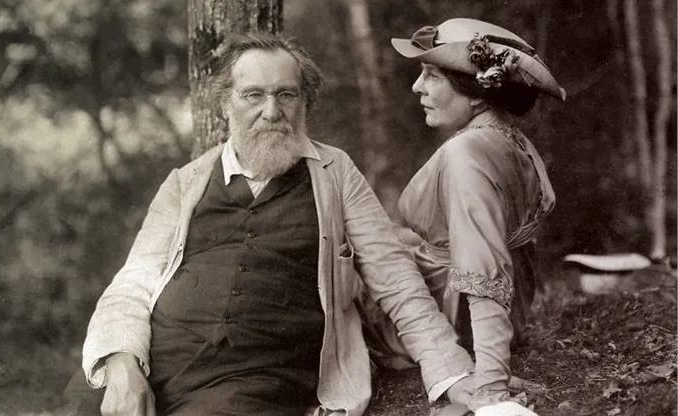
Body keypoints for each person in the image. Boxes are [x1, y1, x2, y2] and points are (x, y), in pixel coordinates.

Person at [64, 32, 478, 416]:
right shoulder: (185, 182)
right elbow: (131, 285)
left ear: (304, 102)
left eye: (286, 95)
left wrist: (451, 372)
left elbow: (395, 279)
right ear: (226, 104)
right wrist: (123, 363)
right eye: (253, 95)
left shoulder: (335, 172)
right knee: (82, 404)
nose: (271, 112)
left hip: (254, 376)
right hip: (156, 361)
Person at [368, 18, 566, 415]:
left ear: (476, 93)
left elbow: (482, 267)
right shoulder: (507, 138)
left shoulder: (466, 155)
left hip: (451, 316)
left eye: (432, 76)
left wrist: (490, 385)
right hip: (501, 309)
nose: (417, 87)